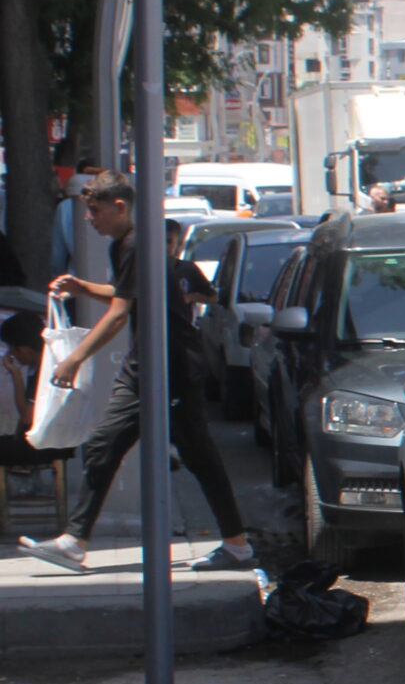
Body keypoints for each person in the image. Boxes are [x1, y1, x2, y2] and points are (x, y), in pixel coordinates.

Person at [18, 175, 256, 574]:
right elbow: (123, 294)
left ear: (120, 207)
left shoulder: (138, 245)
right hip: (144, 367)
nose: (90, 220)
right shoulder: (125, 246)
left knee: (199, 457)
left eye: (95, 211)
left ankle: (237, 546)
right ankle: (74, 541)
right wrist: (82, 287)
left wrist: (74, 358)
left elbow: (118, 315)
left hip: (172, 368)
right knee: (103, 445)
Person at [1, 310, 74, 474]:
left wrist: (16, 376)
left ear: (23, 349)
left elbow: (27, 417)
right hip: (56, 441)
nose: (10, 354)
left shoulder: (46, 370)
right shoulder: (49, 363)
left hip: (47, 446)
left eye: (12, 350)